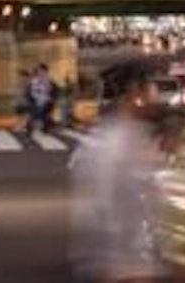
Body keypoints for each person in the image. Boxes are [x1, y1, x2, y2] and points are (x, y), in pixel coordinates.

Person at [70, 62, 165, 281]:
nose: (155, 98)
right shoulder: (120, 141)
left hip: (120, 259)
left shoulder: (109, 136)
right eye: (151, 90)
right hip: (121, 263)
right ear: (134, 92)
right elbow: (112, 207)